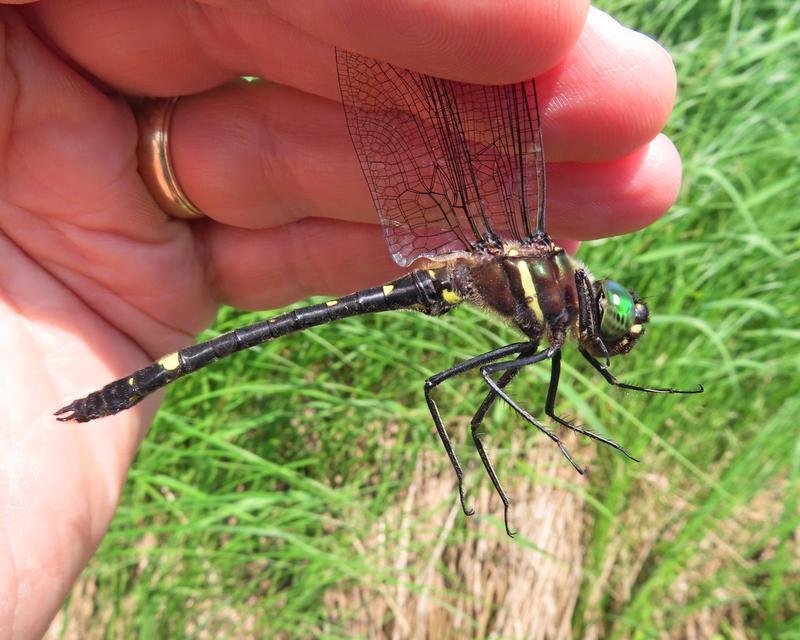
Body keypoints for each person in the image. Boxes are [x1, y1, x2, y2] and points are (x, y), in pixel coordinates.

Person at [0, 1, 681, 635]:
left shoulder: (551, 307)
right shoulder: (550, 298)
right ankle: (127, 386)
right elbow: (479, 390)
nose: (610, 329)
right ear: (591, 307)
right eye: (615, 321)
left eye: (616, 323)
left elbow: (504, 386)